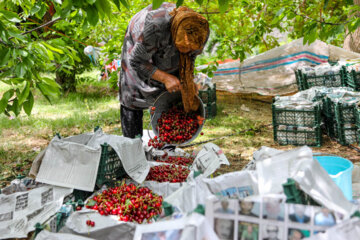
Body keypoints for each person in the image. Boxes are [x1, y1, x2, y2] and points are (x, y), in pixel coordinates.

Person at [119, 2, 209, 138]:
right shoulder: (156, 25)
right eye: (184, 47)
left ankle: (168, 140)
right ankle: (131, 142)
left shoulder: (200, 30)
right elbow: (137, 61)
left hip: (166, 43)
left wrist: (188, 82)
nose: (187, 50)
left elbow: (189, 59)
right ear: (175, 36)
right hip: (141, 47)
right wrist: (165, 78)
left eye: (191, 48)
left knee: (171, 90)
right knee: (132, 94)